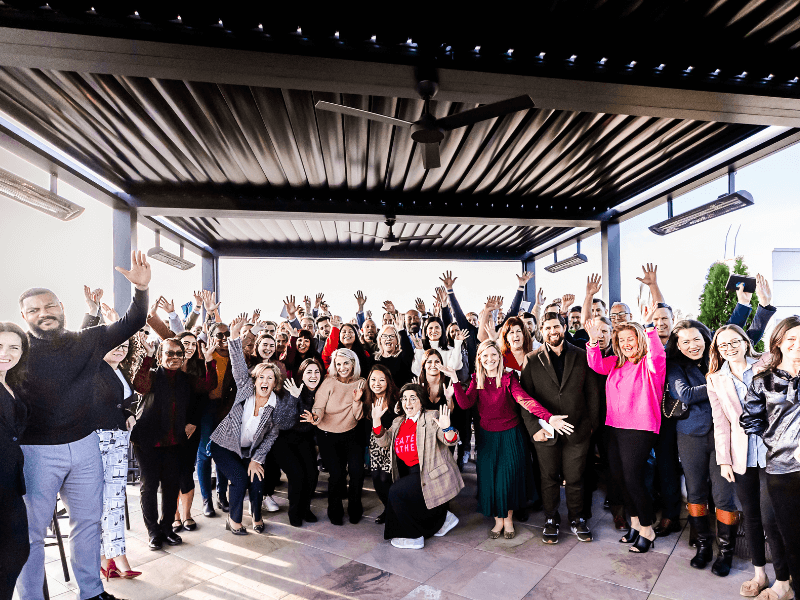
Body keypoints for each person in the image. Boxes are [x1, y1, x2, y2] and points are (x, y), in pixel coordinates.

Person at [17, 251, 150, 600]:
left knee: (88, 524)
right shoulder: (17, 351)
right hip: (36, 453)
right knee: (31, 533)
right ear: (24, 316)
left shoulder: (86, 340)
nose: (44, 313)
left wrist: (140, 289)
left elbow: (134, 321)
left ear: (62, 307)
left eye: (49, 306)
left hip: (86, 447)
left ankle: (91, 593)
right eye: (34, 309)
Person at [666, 275, 775, 576]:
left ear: (706, 338)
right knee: (696, 492)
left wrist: (754, 306)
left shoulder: (719, 358)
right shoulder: (679, 367)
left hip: (724, 439)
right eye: (685, 341)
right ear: (678, 345)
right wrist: (722, 383)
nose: (692, 345)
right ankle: (703, 545)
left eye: (696, 339)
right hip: (690, 436)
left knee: (724, 495)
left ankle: (725, 552)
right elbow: (685, 395)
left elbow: (743, 335)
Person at [444, 339, 572, 540]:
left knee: (508, 479)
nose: (490, 359)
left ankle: (509, 519)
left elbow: (525, 400)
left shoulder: (508, 378)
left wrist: (548, 417)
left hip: (511, 435)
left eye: (493, 355)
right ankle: (498, 520)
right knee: (491, 480)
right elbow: (465, 404)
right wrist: (454, 380)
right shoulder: (477, 379)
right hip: (487, 438)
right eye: (485, 356)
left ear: (499, 357)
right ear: (480, 359)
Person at [707, 324, 791, 599]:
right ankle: (759, 574)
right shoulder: (715, 379)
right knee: (751, 516)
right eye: (723, 345)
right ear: (718, 350)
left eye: (735, 342)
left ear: (746, 342)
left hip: (773, 453)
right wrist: (724, 461)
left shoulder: (767, 364)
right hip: (741, 456)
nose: (729, 348)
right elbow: (721, 422)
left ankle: (783, 579)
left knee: (771, 517)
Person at [586, 302, 666, 554]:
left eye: (630, 338)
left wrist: (649, 327)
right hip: (614, 426)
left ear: (639, 339)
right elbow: (596, 365)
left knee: (633, 479)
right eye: (621, 340)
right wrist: (593, 341)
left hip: (640, 428)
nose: (626, 344)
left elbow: (657, 355)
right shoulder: (616, 363)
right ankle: (635, 524)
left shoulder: (650, 364)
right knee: (620, 478)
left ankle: (647, 528)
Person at [519, 311, 600, 543]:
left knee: (575, 478)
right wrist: (535, 428)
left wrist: (591, 426)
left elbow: (593, 393)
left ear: (564, 328)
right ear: (541, 331)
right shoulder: (531, 359)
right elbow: (526, 399)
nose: (552, 331)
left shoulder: (581, 355)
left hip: (578, 430)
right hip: (546, 431)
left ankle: (577, 519)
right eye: (548, 328)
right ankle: (551, 518)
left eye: (556, 326)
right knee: (549, 478)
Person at [131, 335, 216, 549]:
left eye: (179, 353)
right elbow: (140, 385)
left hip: (174, 443)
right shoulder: (151, 374)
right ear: (161, 355)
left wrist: (209, 360)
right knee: (149, 486)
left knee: (171, 486)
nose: (175, 357)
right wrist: (148, 356)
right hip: (148, 442)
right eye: (170, 353)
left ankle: (167, 528)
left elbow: (209, 385)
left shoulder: (186, 379)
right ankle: (153, 532)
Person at [209, 315, 290, 535]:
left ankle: (256, 515)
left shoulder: (276, 406)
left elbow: (271, 437)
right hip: (224, 445)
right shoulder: (245, 388)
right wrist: (235, 336)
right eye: (261, 377)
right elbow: (237, 363)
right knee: (239, 478)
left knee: (257, 477)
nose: (265, 381)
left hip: (248, 451)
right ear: (254, 379)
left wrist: (256, 459)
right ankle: (234, 520)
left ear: (275, 383)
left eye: (270, 378)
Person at [741, 316, 800, 599]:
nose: (798, 345)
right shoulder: (762, 382)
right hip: (782, 469)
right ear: (778, 342)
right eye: (792, 339)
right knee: (792, 539)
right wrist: (779, 440)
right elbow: (750, 420)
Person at [373, 383, 463, 549]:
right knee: (402, 492)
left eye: (413, 398)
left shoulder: (431, 417)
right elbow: (384, 442)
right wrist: (376, 420)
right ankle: (443, 519)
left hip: (429, 472)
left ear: (421, 401)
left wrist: (447, 428)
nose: (408, 403)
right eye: (404, 399)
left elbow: (451, 440)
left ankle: (413, 537)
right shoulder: (398, 421)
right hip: (410, 471)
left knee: (396, 491)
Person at [94, 330, 142, 581]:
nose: (121, 349)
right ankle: (110, 558)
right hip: (98, 438)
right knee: (102, 500)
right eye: (115, 344)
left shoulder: (120, 371)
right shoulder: (94, 369)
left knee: (114, 498)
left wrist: (128, 414)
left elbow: (122, 403)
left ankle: (111, 557)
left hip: (119, 439)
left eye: (124, 345)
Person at [302, 348, 367, 525]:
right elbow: (319, 407)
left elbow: (358, 416)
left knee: (357, 472)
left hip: (351, 432)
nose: (342, 367)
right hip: (327, 434)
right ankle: (335, 510)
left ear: (353, 364)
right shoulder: (328, 382)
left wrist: (357, 401)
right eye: (338, 364)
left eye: (346, 363)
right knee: (337, 474)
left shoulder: (361, 382)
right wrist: (315, 417)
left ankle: (355, 508)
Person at [172, 330, 217, 534]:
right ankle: (174, 516)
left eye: (192, 344)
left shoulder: (199, 366)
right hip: (170, 429)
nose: (189, 347)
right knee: (171, 472)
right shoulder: (168, 365)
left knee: (187, 470)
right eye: (185, 343)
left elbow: (207, 389)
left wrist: (208, 361)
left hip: (191, 428)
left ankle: (187, 514)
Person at [270, 357, 324, 527]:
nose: (313, 375)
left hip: (305, 438)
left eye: (317, 372)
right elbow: (284, 421)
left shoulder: (322, 391)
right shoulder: (291, 388)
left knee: (312, 474)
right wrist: (295, 397)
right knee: (297, 474)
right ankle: (294, 511)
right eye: (309, 372)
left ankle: (305, 508)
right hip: (284, 438)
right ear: (302, 375)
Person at [0, 322, 30, 600]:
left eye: (13, 347)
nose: (5, 353)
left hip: (10, 481)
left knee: (18, 549)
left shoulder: (10, 384)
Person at [197, 321, 236, 517]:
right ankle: (207, 499)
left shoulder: (235, 355)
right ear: (210, 337)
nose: (224, 338)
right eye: (219, 335)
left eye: (227, 334)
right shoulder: (201, 353)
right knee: (205, 454)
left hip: (225, 409)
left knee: (222, 452)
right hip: (205, 410)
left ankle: (222, 495)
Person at [363, 364, 401, 524]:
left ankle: (395, 510)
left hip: (392, 444)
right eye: (373, 379)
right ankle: (388, 508)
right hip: (375, 445)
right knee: (376, 479)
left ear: (388, 381)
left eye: (381, 380)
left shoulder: (397, 401)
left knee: (386, 478)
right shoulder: (366, 400)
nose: (376, 383)